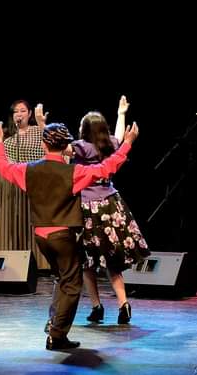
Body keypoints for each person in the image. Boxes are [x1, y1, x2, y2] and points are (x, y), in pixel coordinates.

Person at [0, 120, 139, 350]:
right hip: (63, 236)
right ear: (65, 147)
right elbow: (106, 168)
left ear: (43, 144)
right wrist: (127, 144)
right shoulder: (73, 172)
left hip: (41, 237)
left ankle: (55, 324)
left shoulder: (28, 170)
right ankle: (57, 334)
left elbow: (3, 166)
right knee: (72, 285)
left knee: (63, 279)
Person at [72, 96, 150, 325]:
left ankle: (97, 306)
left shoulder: (81, 148)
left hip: (88, 209)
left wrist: (41, 125)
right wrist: (121, 113)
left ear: (86, 131)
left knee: (87, 262)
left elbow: (58, 148)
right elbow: (117, 138)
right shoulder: (110, 147)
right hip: (110, 204)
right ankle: (123, 303)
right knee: (112, 261)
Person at [0, 100, 50, 268]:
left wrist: (43, 124)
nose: (19, 114)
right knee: (8, 221)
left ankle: (39, 263)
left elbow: (52, 149)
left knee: (33, 221)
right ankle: (9, 263)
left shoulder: (38, 131)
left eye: (22, 111)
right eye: (15, 111)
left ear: (29, 114)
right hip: (8, 185)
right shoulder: (3, 134)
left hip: (33, 181)